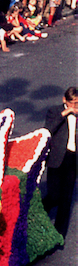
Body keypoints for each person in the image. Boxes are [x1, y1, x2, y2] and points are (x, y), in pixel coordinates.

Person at [42, 86, 77, 237]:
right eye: (72, 103)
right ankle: (40, 213)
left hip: (72, 158)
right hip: (57, 158)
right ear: (64, 100)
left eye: (77, 103)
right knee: (54, 195)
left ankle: (59, 235)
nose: (74, 106)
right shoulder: (55, 111)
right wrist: (65, 113)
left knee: (66, 198)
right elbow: (47, 130)